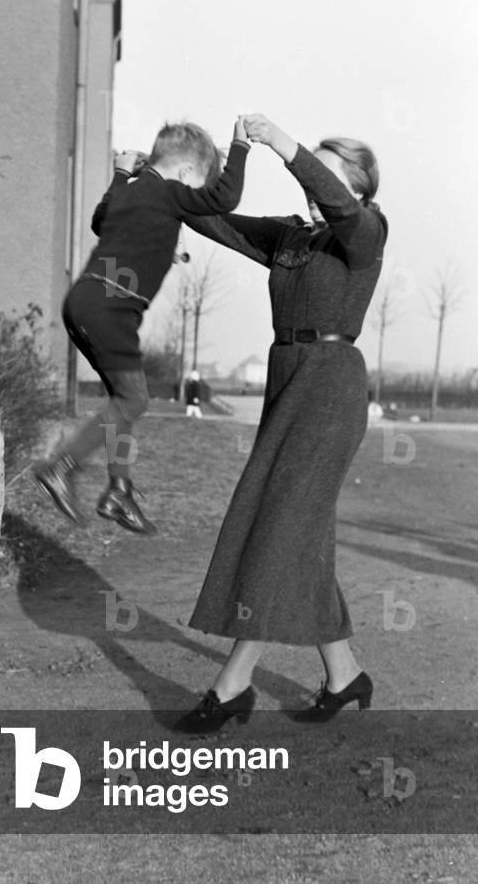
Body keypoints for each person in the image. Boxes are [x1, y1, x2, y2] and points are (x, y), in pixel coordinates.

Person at [173, 112, 388, 731]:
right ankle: (345, 677)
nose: (307, 184)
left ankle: (231, 686)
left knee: (279, 529)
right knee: (303, 539)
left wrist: (286, 145)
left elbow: (339, 207)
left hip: (330, 387)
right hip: (286, 380)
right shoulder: (292, 237)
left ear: (356, 186)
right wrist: (159, 181)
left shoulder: (365, 231)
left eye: (324, 171)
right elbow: (211, 219)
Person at [31, 118, 251, 535]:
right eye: (198, 183)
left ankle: (119, 490)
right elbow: (227, 197)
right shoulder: (171, 193)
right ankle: (61, 467)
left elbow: (100, 219)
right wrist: (240, 147)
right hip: (111, 309)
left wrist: (119, 173)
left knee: (124, 400)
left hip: (85, 301)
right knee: (133, 401)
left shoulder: (131, 191)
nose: (197, 193)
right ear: (187, 174)